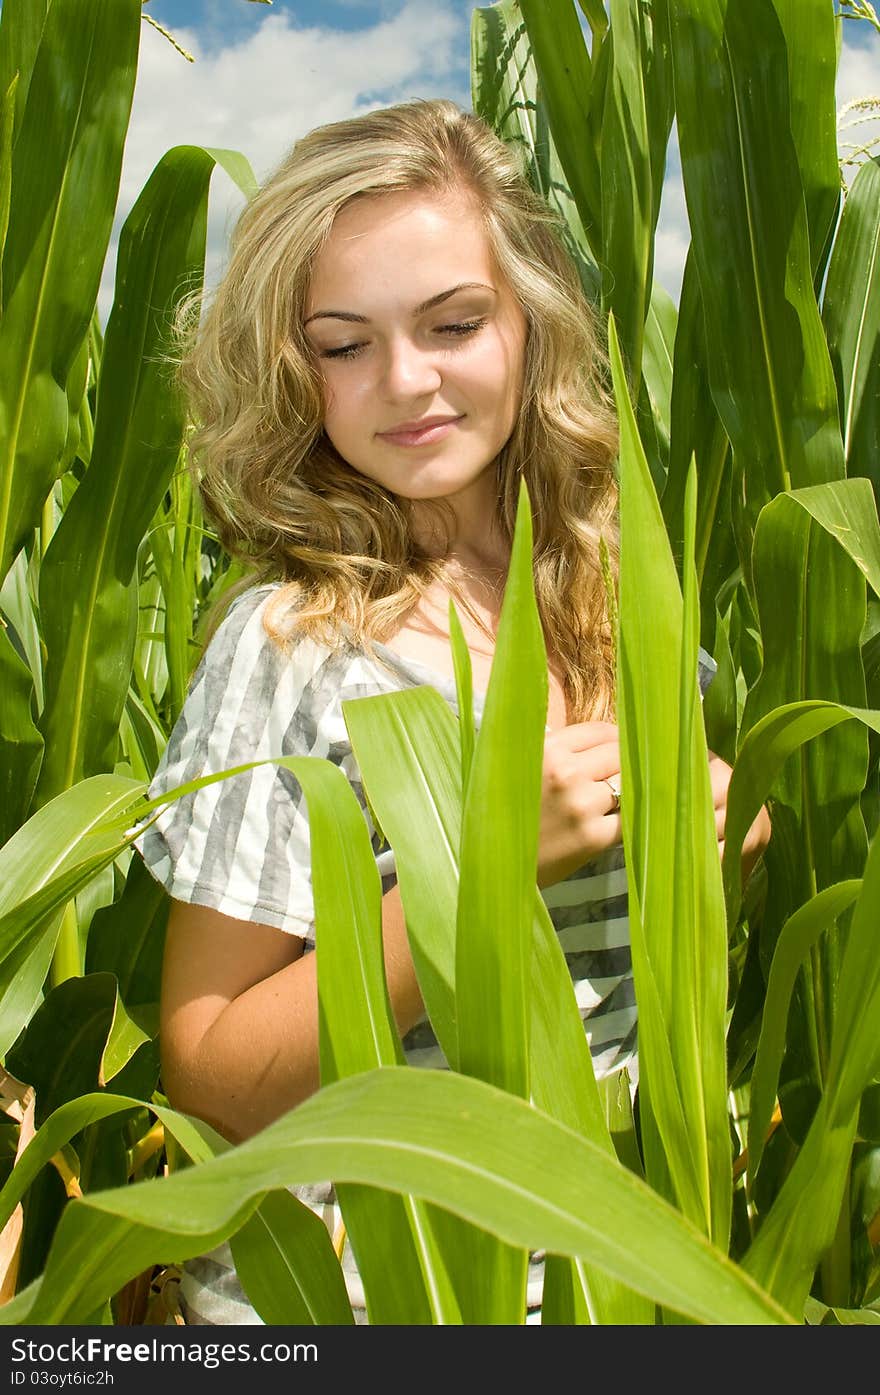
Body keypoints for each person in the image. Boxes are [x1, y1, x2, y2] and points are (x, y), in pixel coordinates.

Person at [135, 98, 771, 1325]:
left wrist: (723, 844)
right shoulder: (293, 645)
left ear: (528, 323)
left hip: (615, 1280)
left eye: (453, 323)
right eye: (344, 344)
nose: (407, 381)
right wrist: (475, 874)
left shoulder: (616, 596)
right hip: (376, 1301)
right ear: (291, 364)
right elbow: (210, 1072)